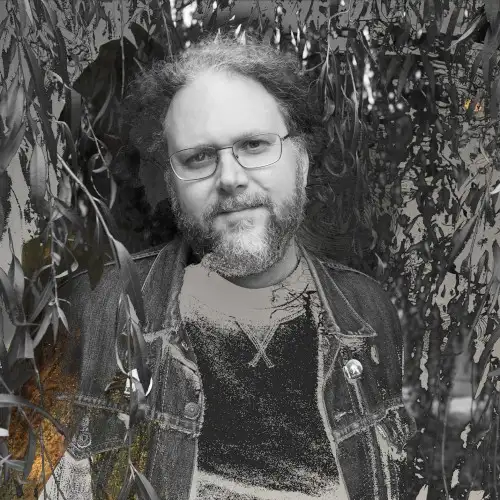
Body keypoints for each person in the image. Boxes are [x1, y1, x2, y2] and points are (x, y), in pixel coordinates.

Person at [39, 35, 416, 500]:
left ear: (302, 158)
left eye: (254, 145)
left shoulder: (367, 312)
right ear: (171, 183)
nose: (231, 179)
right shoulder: (96, 310)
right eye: (198, 157)